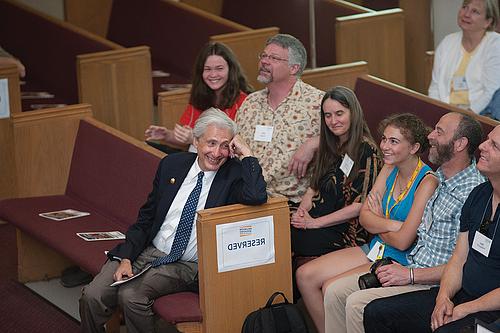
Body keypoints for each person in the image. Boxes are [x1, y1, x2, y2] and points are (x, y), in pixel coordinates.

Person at [79, 108, 267, 333]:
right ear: (196, 141)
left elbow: (256, 196)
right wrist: (127, 257)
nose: (217, 153)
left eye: (225, 145)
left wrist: (246, 153)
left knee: (131, 295)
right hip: (149, 250)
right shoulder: (172, 164)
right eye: (211, 143)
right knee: (92, 296)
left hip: (187, 264)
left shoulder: (233, 174)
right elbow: (146, 218)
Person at [322, 112, 485, 333]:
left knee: (356, 304)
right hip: (407, 263)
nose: (430, 136)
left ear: (460, 144)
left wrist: (408, 274)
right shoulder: (442, 177)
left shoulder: (472, 192)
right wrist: (389, 227)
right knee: (333, 292)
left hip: (429, 279)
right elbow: (369, 217)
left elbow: (461, 264)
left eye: (439, 131)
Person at [296, 113, 438, 333]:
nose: (384, 146)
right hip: (376, 247)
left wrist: (379, 222)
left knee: (332, 288)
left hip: (397, 258)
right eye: (384, 139)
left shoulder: (427, 181)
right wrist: (392, 224)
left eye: (393, 141)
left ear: (414, 147)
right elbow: (364, 216)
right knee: (305, 275)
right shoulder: (390, 167)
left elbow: (403, 242)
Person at [364, 124, 500, 333]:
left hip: (490, 308)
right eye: (487, 140)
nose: (482, 146)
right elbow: (458, 258)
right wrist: (443, 297)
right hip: (460, 292)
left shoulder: (469, 187)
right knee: (376, 312)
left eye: (494, 145)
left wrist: (466, 309)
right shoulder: (480, 194)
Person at [290, 86, 380, 257]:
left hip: (345, 230)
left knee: (288, 238)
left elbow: (359, 206)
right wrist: (302, 214)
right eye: (328, 115)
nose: (333, 121)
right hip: (317, 218)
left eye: (339, 114)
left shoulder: (366, 150)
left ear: (353, 113)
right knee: (277, 226)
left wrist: (314, 223)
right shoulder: (330, 144)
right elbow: (313, 188)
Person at [236, 33, 324, 204]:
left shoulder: (317, 102)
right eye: (264, 56)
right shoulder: (250, 102)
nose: (264, 61)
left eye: (274, 58)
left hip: (291, 204)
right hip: (246, 198)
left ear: (294, 68)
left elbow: (351, 136)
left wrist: (315, 142)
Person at [145, 42, 252, 152]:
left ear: (231, 70)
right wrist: (166, 135)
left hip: (222, 163)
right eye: (208, 69)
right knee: (148, 147)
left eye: (219, 68)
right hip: (197, 157)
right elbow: (186, 137)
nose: (213, 74)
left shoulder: (245, 102)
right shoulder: (200, 96)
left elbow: (237, 149)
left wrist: (193, 139)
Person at [428, 0, 500, 119]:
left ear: (488, 21)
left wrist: (463, 118)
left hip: (479, 115)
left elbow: (491, 91)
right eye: (465, 7)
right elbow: (435, 87)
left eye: (475, 11)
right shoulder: (447, 42)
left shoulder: (495, 44)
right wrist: (438, 112)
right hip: (445, 113)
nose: (466, 14)